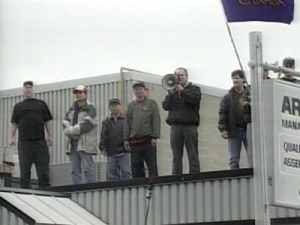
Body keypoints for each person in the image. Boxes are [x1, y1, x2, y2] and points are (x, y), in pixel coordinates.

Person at [8, 81, 53, 189]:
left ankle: (45, 193)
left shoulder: (41, 104)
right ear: (23, 90)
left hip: (39, 142)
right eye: (26, 87)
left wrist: (50, 136)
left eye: (30, 87)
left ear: (33, 90)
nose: (28, 89)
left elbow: (47, 121)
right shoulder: (18, 106)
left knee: (43, 171)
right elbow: (14, 123)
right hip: (24, 143)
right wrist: (10, 137)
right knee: (24, 171)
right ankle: (25, 193)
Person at [162, 67, 201, 175]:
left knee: (192, 153)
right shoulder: (172, 92)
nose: (179, 77)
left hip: (190, 126)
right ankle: (176, 176)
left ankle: (194, 175)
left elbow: (194, 100)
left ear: (186, 77)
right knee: (176, 155)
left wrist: (182, 91)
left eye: (181, 75)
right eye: (177, 75)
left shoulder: (194, 89)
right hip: (175, 126)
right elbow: (165, 106)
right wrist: (171, 93)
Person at [123, 82, 161, 178]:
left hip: (148, 140)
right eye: (136, 90)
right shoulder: (131, 106)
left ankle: (154, 186)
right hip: (134, 142)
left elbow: (156, 120)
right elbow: (127, 123)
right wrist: (126, 139)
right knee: (136, 168)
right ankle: (139, 188)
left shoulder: (151, 103)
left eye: (140, 89)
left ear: (144, 90)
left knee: (152, 167)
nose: (138, 91)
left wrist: (155, 136)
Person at [63, 85, 98, 184]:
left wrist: (72, 131)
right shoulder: (71, 109)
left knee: (88, 169)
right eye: (76, 93)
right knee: (75, 171)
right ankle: (77, 190)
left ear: (86, 94)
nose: (78, 95)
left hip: (85, 145)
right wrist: (69, 131)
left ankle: (88, 190)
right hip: (73, 145)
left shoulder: (91, 108)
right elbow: (65, 122)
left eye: (80, 92)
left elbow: (88, 124)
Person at [218, 70, 250, 170]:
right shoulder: (228, 97)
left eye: (237, 78)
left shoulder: (251, 95)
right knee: (234, 158)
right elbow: (223, 114)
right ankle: (234, 177)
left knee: (253, 156)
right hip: (234, 130)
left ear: (243, 79)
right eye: (233, 78)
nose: (235, 80)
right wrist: (223, 130)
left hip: (249, 130)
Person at [99, 98, 132, 181]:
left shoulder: (126, 119)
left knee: (126, 173)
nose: (115, 108)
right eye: (112, 106)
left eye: (116, 105)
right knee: (111, 175)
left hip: (124, 152)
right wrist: (102, 148)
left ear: (120, 107)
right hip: (111, 153)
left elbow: (131, 133)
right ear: (110, 108)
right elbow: (103, 135)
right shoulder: (106, 121)